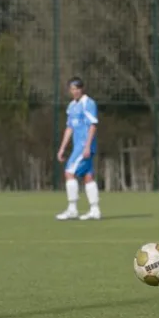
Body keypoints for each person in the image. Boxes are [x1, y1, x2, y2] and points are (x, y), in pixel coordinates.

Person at [56, 77, 101, 221]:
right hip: (78, 146)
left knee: (69, 172)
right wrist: (62, 148)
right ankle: (95, 210)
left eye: (77, 88)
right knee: (88, 176)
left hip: (84, 146)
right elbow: (70, 128)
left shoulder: (88, 103)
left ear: (82, 89)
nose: (74, 91)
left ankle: (72, 209)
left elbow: (93, 125)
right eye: (72, 89)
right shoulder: (71, 106)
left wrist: (87, 146)